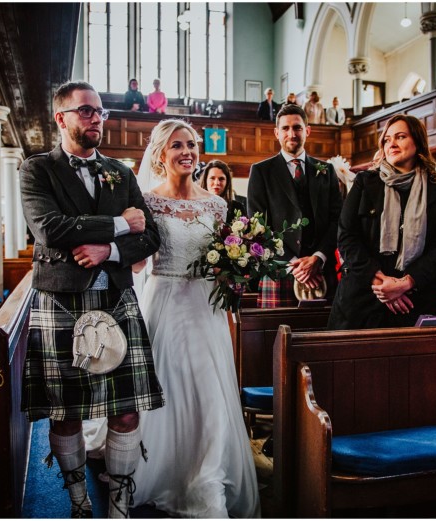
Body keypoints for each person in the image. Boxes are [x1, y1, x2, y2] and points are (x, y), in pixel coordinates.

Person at [20, 80, 164, 518]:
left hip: (117, 300)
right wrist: (120, 226)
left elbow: (152, 235)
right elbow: (50, 229)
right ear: (61, 118)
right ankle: (79, 500)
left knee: (125, 413)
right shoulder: (37, 169)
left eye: (99, 111)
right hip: (61, 300)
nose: (96, 118)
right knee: (65, 413)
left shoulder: (120, 172)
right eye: (85, 111)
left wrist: (110, 249)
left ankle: (119, 499)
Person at [129, 119, 260, 517]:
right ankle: (165, 470)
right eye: (176, 146)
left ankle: (207, 477)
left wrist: (240, 267)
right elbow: (137, 264)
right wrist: (128, 231)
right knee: (167, 388)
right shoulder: (148, 202)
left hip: (207, 305)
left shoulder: (217, 205)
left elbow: (225, 262)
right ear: (160, 155)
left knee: (209, 390)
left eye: (191, 144)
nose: (187, 151)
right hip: (165, 298)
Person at [327, 114, 436, 330]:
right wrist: (381, 285)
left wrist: (405, 283)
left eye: (400, 137)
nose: (392, 144)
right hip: (363, 299)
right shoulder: (366, 182)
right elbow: (346, 236)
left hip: (415, 299)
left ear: (418, 141)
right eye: (387, 139)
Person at [248, 104, 342, 307]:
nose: (292, 133)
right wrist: (295, 265)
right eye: (285, 128)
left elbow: (338, 220)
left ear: (307, 131)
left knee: (322, 338)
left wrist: (317, 258)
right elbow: (258, 228)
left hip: (321, 271)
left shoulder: (327, 171)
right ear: (276, 133)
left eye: (297, 127)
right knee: (274, 337)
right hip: (280, 271)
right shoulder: (261, 172)